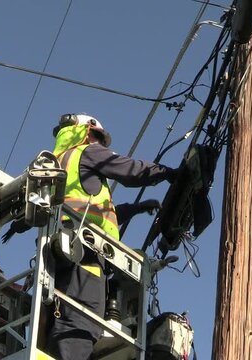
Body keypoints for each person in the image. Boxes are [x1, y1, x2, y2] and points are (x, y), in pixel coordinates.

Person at [46, 113, 178, 360]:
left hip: (62, 251)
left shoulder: (58, 162)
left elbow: (91, 209)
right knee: (82, 320)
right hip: (83, 254)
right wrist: (167, 173)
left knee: (64, 316)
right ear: (86, 133)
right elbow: (130, 170)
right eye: (97, 137)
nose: (99, 144)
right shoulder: (87, 151)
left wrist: (135, 209)